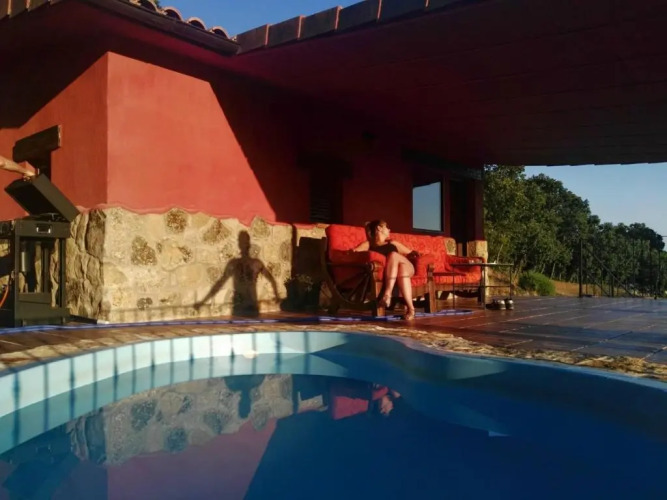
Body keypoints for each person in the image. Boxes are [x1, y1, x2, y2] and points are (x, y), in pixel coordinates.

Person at [353, 219, 418, 320]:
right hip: (398, 271)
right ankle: (411, 309)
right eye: (387, 227)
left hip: (408, 266)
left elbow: (411, 253)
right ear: (379, 228)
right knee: (402, 270)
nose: (389, 229)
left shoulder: (393, 243)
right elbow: (354, 252)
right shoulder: (369, 244)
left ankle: (387, 294)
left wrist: (417, 256)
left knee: (394, 256)